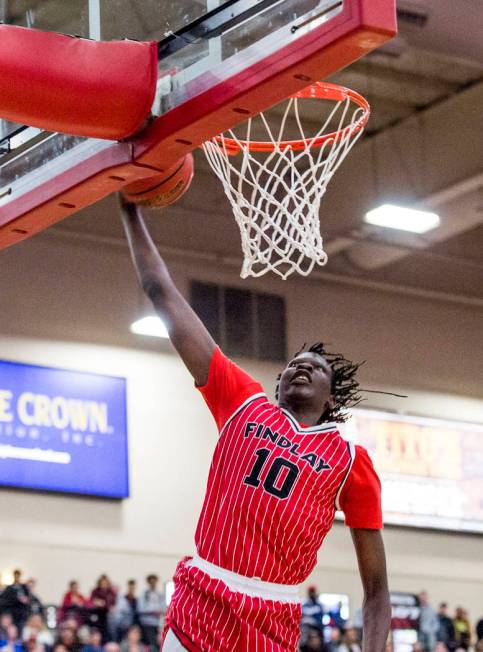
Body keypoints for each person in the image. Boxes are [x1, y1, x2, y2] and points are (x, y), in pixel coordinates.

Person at [121, 199, 391, 652]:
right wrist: (130, 208)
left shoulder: (349, 462)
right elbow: (159, 289)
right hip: (202, 601)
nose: (300, 368)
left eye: (316, 368)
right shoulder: (242, 401)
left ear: (332, 400)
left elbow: (377, 588)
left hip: (272, 617)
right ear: (279, 382)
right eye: (292, 364)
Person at [137, 576, 165, 647]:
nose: (153, 584)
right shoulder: (144, 594)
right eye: (151, 582)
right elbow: (140, 608)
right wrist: (153, 611)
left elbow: (163, 607)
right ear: (148, 583)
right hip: (147, 623)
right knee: (150, 644)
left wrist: (160, 611)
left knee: (157, 643)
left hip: (158, 624)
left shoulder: (160, 594)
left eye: (154, 582)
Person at [89, 577, 116, 644]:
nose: (104, 585)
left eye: (105, 583)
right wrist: (98, 603)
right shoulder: (95, 591)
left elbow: (112, 604)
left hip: (107, 615)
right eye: (102, 583)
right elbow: (92, 602)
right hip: (97, 614)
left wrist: (104, 604)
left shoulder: (110, 592)